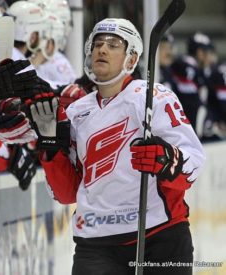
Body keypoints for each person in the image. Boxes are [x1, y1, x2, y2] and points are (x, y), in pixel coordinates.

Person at [28, 18, 206, 275]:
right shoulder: (76, 111)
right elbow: (66, 193)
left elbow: (194, 161)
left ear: (131, 60)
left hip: (159, 236)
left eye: (113, 45)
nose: (102, 49)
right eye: (98, 44)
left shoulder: (153, 97)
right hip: (96, 243)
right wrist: (50, 147)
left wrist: (167, 160)